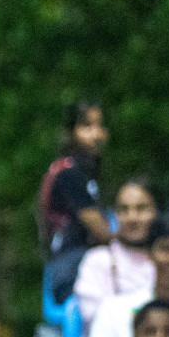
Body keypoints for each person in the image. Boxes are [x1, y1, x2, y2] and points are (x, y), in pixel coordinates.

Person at [37, 100, 111, 306]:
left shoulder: (87, 173)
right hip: (71, 268)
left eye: (100, 126)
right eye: (87, 126)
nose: (96, 134)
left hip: (83, 264)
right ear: (71, 132)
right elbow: (99, 227)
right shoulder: (68, 172)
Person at [71, 177, 157, 331]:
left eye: (141, 208)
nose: (132, 217)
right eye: (124, 210)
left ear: (156, 211)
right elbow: (95, 318)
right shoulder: (98, 260)